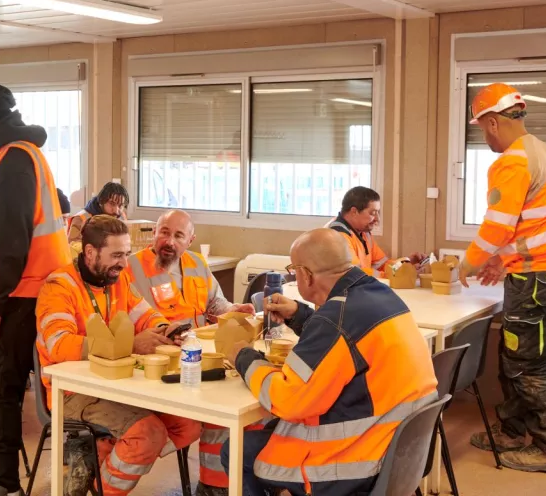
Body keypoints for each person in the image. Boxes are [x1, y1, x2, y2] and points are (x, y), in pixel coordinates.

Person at [220, 228, 438, 495]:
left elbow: (288, 400)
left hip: (353, 462)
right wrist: (299, 314)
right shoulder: (379, 295)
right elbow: (346, 340)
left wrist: (243, 357)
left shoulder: (334, 320)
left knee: (237, 450)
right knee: (271, 431)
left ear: (306, 275)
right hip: (397, 449)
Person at [459, 83, 546, 476]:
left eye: (482, 128)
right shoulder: (544, 151)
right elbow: (545, 223)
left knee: (528, 363)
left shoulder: (511, 161)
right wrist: (507, 259)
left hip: (539, 276)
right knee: (516, 355)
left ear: (494, 122)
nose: (485, 135)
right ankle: (512, 431)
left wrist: (466, 265)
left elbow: (496, 226)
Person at [36, 215, 202, 496]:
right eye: (116, 255)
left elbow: (146, 315)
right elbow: (58, 345)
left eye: (126, 254)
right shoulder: (59, 286)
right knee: (147, 435)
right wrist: (130, 346)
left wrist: (164, 329)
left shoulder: (117, 279)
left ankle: (97, 455)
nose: (124, 263)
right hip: (72, 392)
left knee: (188, 425)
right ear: (90, 252)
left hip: (117, 384)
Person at [0, 81, 71, 496]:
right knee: (34, 388)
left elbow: (14, 244)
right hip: (39, 288)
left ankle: (5, 486)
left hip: (23, 295)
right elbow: (6, 238)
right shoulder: (22, 154)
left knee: (1, 393)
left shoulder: (10, 161)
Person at [126, 209, 256, 496]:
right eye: (164, 232)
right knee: (221, 407)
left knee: (241, 402)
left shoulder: (197, 264)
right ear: (155, 232)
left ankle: (215, 485)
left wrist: (233, 310)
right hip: (161, 363)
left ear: (190, 240)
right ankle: (214, 485)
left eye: (178, 235)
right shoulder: (133, 267)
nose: (169, 241)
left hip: (200, 356)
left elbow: (216, 303)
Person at [327, 186, 425, 276]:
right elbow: (355, 273)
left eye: (378, 212)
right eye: (373, 213)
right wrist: (397, 275)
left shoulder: (364, 233)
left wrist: (406, 263)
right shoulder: (338, 236)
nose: (377, 219)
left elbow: (381, 265)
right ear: (354, 212)